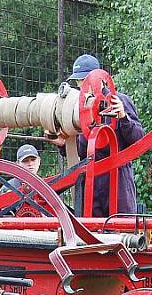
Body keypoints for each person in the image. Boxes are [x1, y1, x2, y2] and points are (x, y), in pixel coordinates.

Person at [53, 54, 145, 217]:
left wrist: (123, 117)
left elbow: (139, 140)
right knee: (91, 234)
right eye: (78, 81)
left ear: (99, 78)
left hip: (118, 183)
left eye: (84, 79)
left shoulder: (120, 100)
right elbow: (81, 152)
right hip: (91, 184)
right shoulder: (79, 109)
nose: (81, 85)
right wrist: (62, 144)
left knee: (122, 232)